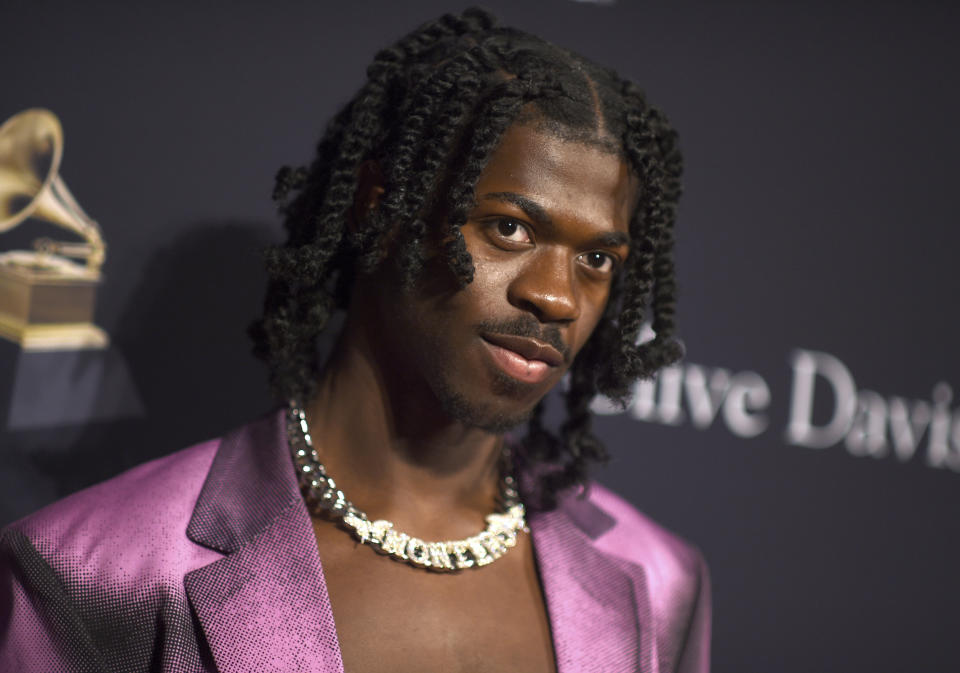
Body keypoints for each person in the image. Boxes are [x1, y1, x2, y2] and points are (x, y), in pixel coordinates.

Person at [0, 8, 710, 672]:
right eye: (510, 228)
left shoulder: (660, 582)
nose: (556, 296)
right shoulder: (95, 571)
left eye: (596, 260)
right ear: (380, 208)